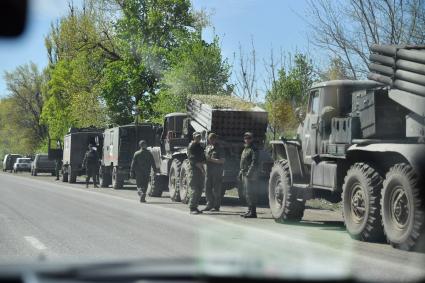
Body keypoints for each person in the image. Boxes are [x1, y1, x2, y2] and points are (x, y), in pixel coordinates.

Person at [239, 132, 259, 218]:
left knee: (251, 193)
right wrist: (240, 172)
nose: (247, 139)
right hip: (244, 173)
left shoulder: (253, 149)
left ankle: (253, 212)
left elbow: (254, 162)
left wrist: (249, 173)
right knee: (246, 193)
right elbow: (242, 161)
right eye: (246, 138)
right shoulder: (245, 148)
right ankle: (249, 210)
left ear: (252, 139)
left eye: (249, 138)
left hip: (250, 174)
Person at [203, 133, 225, 212]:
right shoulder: (208, 148)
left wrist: (211, 160)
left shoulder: (220, 148)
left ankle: (216, 206)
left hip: (217, 172)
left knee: (216, 190)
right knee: (207, 188)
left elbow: (222, 161)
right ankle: (209, 204)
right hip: (208, 171)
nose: (211, 140)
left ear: (216, 139)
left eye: (213, 139)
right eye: (210, 139)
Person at [187, 132, 206, 215]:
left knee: (200, 188)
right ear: (193, 137)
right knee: (194, 189)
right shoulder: (192, 146)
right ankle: (192, 208)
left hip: (199, 169)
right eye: (197, 137)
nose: (198, 138)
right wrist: (202, 169)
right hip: (194, 170)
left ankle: (195, 206)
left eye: (199, 137)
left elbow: (203, 158)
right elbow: (193, 160)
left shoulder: (199, 146)